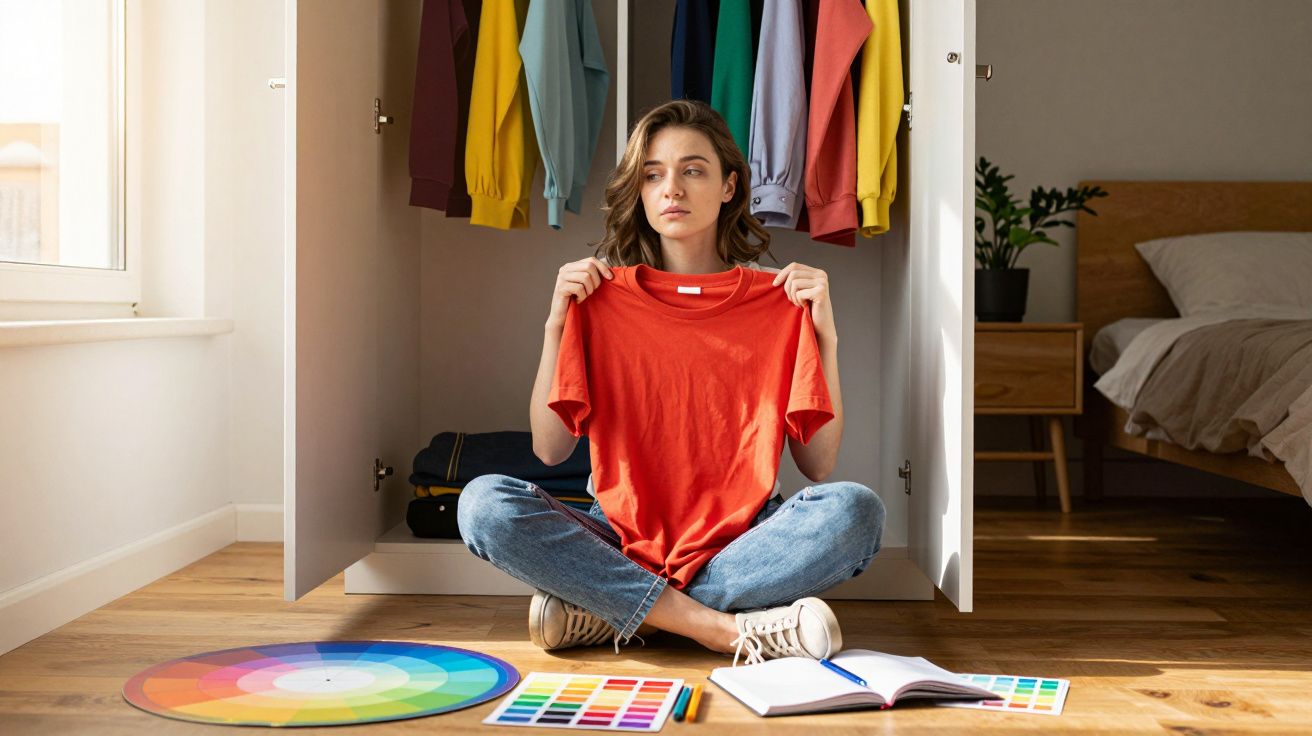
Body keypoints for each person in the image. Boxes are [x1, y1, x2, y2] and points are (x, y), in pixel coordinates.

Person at [458, 99, 885, 666]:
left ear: (730, 186)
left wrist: (826, 339)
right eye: (653, 174)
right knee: (483, 504)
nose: (672, 189)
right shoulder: (599, 298)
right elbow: (549, 447)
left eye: (693, 170)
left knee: (857, 511)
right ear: (639, 190)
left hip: (743, 542)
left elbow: (819, 466)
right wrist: (555, 326)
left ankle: (617, 611)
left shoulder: (779, 302)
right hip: (619, 536)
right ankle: (716, 628)